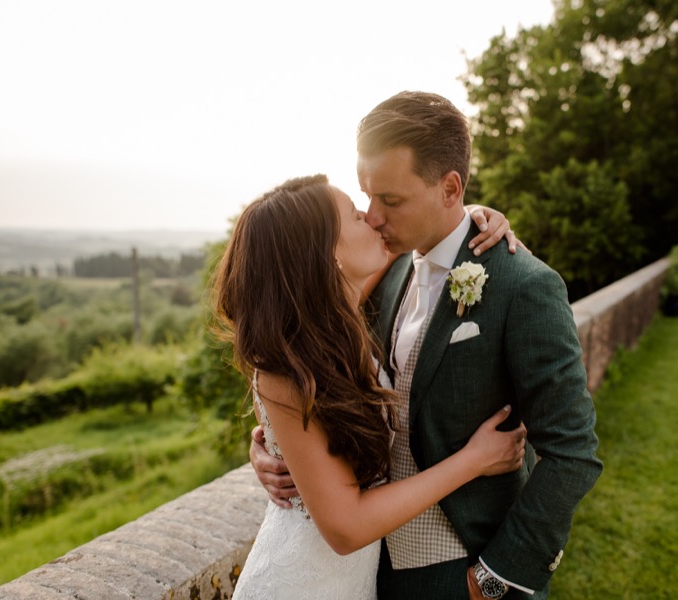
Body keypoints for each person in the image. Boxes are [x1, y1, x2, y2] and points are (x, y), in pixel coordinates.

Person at [251, 92, 603, 599]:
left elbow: (573, 450)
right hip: (367, 575)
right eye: (366, 197)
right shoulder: (381, 274)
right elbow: (309, 376)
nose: (372, 216)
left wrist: (495, 578)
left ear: (450, 188)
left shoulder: (522, 285)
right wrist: (266, 448)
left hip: (465, 572)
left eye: (390, 201)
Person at [215, 174, 528, 599]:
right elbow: (346, 528)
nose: (374, 219)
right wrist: (473, 460)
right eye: (356, 215)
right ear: (327, 256)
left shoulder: (334, 317)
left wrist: (470, 216)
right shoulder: (284, 373)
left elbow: (435, 234)